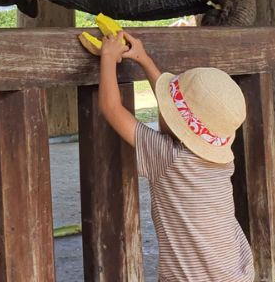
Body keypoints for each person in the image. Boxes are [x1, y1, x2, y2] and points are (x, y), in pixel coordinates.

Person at [97, 31, 254, 282]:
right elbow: (185, 116)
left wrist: (107, 57)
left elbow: (111, 108)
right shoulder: (223, 160)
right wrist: (144, 59)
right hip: (235, 271)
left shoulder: (168, 158)